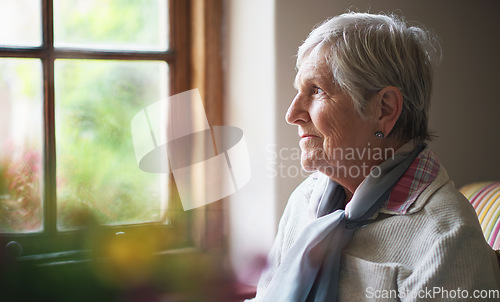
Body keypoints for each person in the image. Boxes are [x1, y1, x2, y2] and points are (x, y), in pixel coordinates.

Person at [248, 12, 500, 301]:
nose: (291, 114)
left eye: (316, 90)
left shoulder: (446, 241)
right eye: (299, 91)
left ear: (384, 110)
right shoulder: (303, 200)